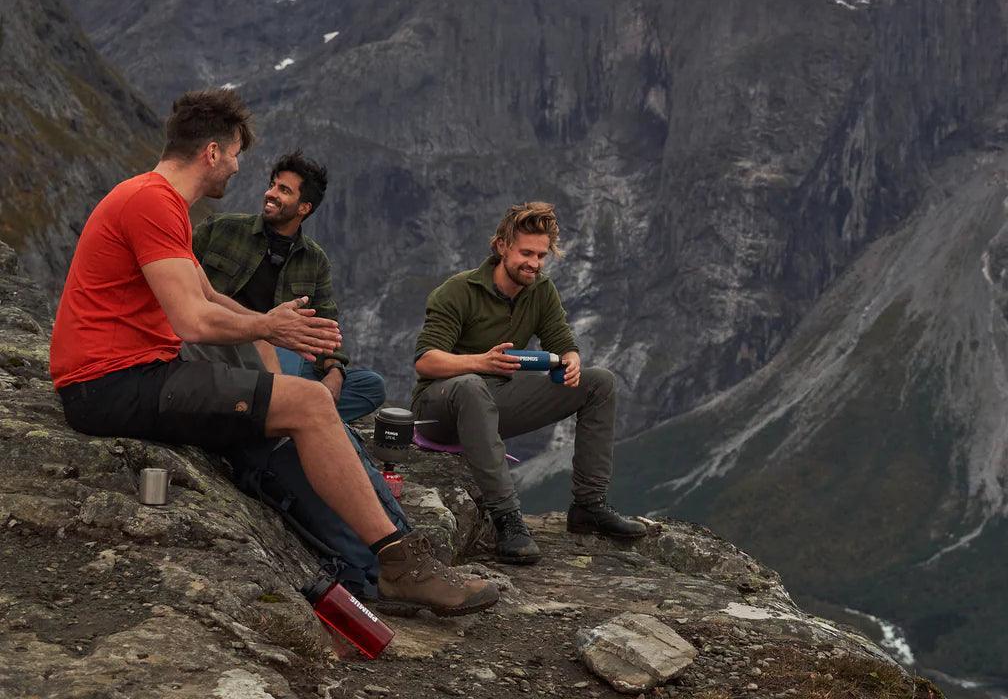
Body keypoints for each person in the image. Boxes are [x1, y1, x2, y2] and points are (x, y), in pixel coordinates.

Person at [49, 88, 497, 616]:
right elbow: (190, 319)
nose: (238, 167)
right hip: (112, 385)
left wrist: (271, 332)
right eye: (236, 153)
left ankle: (372, 565)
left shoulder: (156, 200)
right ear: (212, 152)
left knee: (293, 411)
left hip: (131, 376)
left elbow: (211, 297)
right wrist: (271, 326)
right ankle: (398, 566)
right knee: (309, 405)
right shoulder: (152, 202)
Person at [412, 201, 645, 565]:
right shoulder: (458, 291)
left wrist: (571, 359)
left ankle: (588, 505)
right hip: (441, 406)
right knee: (472, 385)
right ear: (502, 245)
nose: (533, 263)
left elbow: (562, 341)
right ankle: (507, 518)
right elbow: (426, 360)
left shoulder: (540, 290)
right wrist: (481, 362)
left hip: (496, 399)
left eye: (541, 255)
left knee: (600, 382)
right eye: (526, 253)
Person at [192, 150, 385, 423]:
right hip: (223, 348)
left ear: (304, 207)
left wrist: (334, 373)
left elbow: (325, 328)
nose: (270, 193)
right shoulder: (220, 229)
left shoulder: (315, 260)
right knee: (281, 356)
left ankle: (274, 412)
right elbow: (179, 282)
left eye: (283, 190)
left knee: (370, 385)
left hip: (283, 365)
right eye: (272, 185)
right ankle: (290, 417)